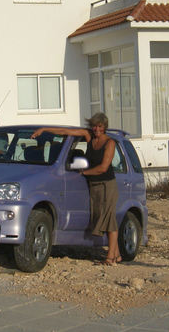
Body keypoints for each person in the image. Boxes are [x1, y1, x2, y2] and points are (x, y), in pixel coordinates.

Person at [31, 113, 120, 265]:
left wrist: (84, 172)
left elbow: (103, 168)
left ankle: (110, 258)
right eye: (94, 125)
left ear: (104, 127)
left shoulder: (110, 143)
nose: (97, 129)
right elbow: (65, 132)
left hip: (107, 185)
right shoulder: (88, 136)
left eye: (100, 126)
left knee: (108, 218)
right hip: (94, 185)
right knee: (100, 217)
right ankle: (117, 254)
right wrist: (44, 129)